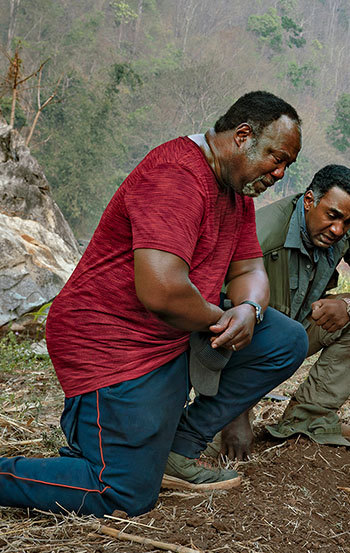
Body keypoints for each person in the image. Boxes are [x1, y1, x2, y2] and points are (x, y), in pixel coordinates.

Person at [0, 91, 309, 517]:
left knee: (285, 339)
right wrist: (222, 318)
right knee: (122, 492)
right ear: (242, 136)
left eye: (287, 165)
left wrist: (250, 310)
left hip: (172, 334)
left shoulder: (237, 193)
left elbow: (249, 271)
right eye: (276, 157)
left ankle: (176, 451)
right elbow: (161, 291)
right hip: (112, 339)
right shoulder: (176, 175)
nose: (279, 172)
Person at [213, 165, 350, 458]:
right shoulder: (262, 235)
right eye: (332, 216)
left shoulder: (347, 231)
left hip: (293, 333)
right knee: (207, 443)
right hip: (244, 345)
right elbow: (223, 324)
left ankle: (308, 417)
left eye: (348, 221)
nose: (339, 229)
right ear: (310, 200)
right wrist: (236, 414)